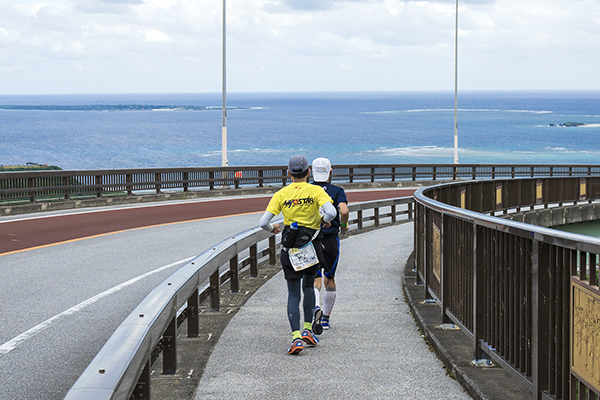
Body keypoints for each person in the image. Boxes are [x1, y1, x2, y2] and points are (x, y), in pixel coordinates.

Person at [259, 155, 337, 355]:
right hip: (312, 246)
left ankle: (296, 339)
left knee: (293, 293)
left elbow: (263, 223)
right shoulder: (316, 190)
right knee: (309, 287)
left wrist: (273, 228)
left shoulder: (281, 194)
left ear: (288, 173)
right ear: (308, 172)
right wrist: (323, 219)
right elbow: (332, 212)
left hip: (291, 248)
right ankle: (308, 331)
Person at [310, 157, 349, 332]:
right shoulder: (337, 190)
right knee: (330, 277)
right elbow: (344, 210)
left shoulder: (308, 190)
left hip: (312, 238)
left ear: (311, 171)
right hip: (331, 238)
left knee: (315, 277)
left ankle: (315, 309)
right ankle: (325, 319)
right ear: (330, 172)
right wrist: (343, 224)